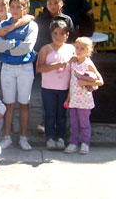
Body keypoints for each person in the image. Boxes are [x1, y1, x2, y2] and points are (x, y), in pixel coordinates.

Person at [0, 0, 38, 151]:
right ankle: (7, 137)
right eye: (12, 6)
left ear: (25, 8)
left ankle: (23, 137)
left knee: (24, 104)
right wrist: (14, 44)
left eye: (19, 7)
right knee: (8, 104)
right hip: (7, 68)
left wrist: (8, 50)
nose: (15, 10)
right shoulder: (4, 24)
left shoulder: (32, 26)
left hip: (25, 68)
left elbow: (27, 47)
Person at [36, 20, 75, 150]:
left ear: (67, 35)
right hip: (48, 88)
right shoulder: (46, 49)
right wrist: (56, 65)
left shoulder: (71, 49)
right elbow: (39, 68)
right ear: (51, 34)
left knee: (62, 114)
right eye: (55, 34)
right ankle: (50, 137)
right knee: (50, 114)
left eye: (62, 34)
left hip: (64, 88)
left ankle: (61, 137)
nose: (58, 37)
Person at [64, 37, 103, 154]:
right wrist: (68, 98)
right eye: (77, 48)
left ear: (88, 50)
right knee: (73, 123)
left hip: (84, 100)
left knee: (84, 123)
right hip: (74, 99)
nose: (79, 51)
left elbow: (100, 81)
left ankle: (85, 143)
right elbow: (72, 82)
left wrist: (86, 82)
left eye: (82, 48)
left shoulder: (88, 63)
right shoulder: (74, 62)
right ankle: (73, 143)